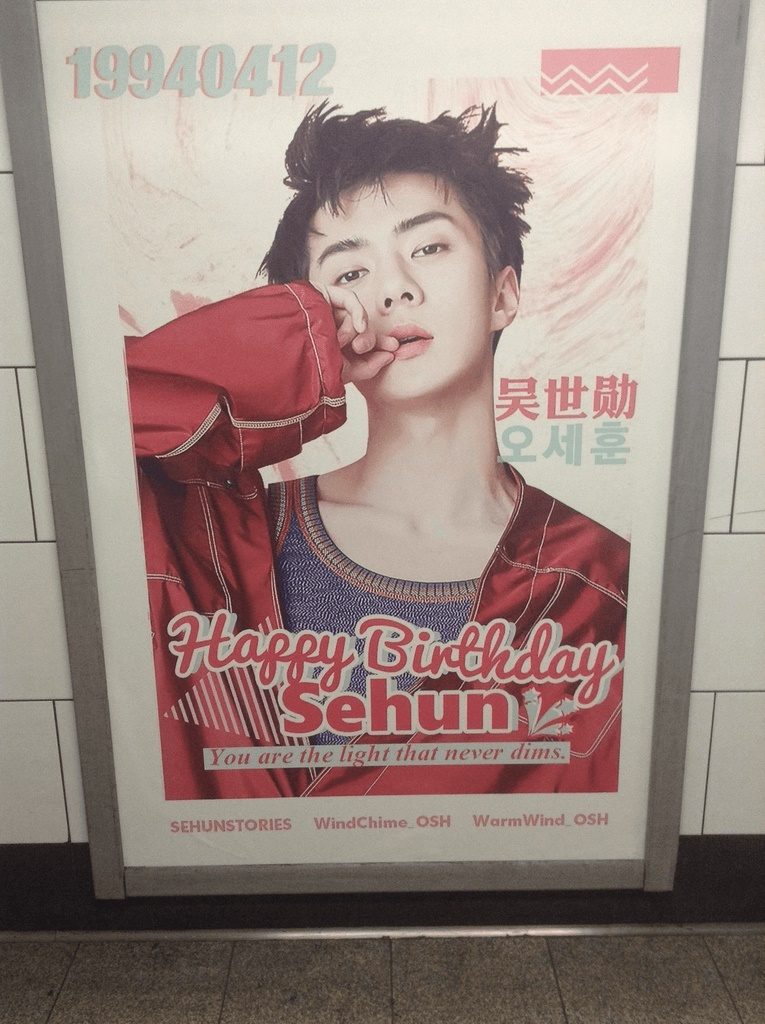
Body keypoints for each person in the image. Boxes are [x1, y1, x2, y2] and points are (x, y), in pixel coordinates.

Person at [126, 104, 629, 801]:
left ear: (503, 295)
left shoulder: (602, 585)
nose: (394, 290)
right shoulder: (212, 536)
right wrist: (296, 351)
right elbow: (94, 419)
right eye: (349, 271)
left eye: (427, 249)